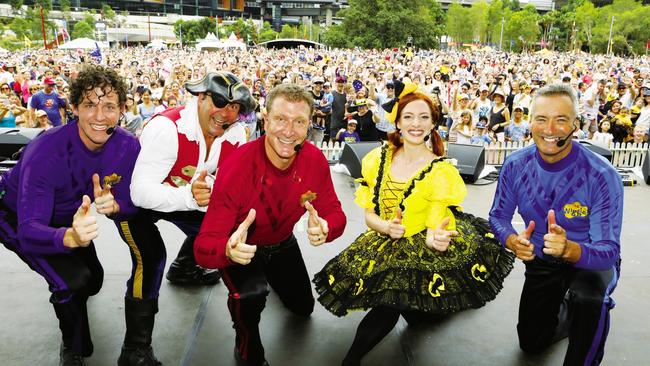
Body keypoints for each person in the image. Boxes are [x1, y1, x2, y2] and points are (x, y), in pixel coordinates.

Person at [313, 81, 515, 366]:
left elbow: (435, 224)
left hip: (420, 243)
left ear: (434, 123)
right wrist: (384, 227)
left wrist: (435, 238)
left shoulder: (440, 171)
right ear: (397, 121)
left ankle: (353, 359)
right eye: (408, 116)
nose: (415, 124)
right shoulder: (376, 160)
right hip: (385, 240)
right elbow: (370, 214)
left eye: (423, 117)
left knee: (400, 303)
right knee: (396, 300)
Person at [194, 83, 347, 366]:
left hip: (282, 243)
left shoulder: (314, 160)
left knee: (304, 308)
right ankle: (245, 342)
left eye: (299, 122)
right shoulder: (237, 166)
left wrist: (326, 227)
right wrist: (227, 251)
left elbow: (336, 214)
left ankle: (271, 279)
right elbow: (203, 246)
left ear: (309, 124)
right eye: (280, 119)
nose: (289, 131)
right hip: (242, 246)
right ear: (266, 119)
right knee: (251, 294)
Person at [0, 65, 140, 365]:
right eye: (90, 105)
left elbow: (133, 199)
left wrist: (117, 206)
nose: (100, 116)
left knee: (93, 282)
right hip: (14, 214)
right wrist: (71, 237)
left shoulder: (128, 146)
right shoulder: (45, 151)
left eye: (109, 106)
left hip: (68, 216)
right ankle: (73, 348)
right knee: (72, 283)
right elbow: (28, 229)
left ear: (122, 110)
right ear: (74, 107)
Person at [114, 72, 256, 365]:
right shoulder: (167, 128)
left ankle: (185, 268)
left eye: (235, 107)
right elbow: (141, 192)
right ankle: (134, 349)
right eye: (219, 102)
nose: (227, 113)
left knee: (220, 225)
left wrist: (212, 192)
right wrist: (192, 196)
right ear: (200, 97)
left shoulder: (236, 133)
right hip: (137, 203)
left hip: (188, 195)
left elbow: (231, 187)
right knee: (150, 258)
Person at [489, 84, 623, 366]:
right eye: (541, 119)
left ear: (576, 125)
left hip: (589, 262)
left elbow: (608, 251)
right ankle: (566, 311)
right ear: (530, 122)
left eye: (561, 120)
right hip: (542, 259)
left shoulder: (601, 175)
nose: (550, 129)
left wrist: (571, 250)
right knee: (531, 343)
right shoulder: (515, 165)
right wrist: (511, 240)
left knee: (588, 300)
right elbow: (498, 217)